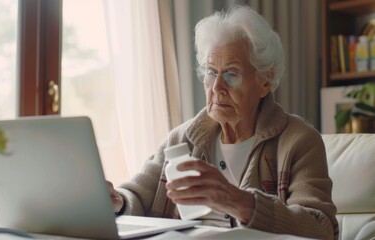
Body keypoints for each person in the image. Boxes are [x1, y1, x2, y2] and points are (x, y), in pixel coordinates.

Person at [107, 5, 338, 240]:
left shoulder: (299, 141)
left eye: (231, 74)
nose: (217, 87)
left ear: (265, 81)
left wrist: (238, 201)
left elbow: (320, 227)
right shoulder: (183, 138)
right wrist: (116, 201)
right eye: (211, 72)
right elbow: (136, 195)